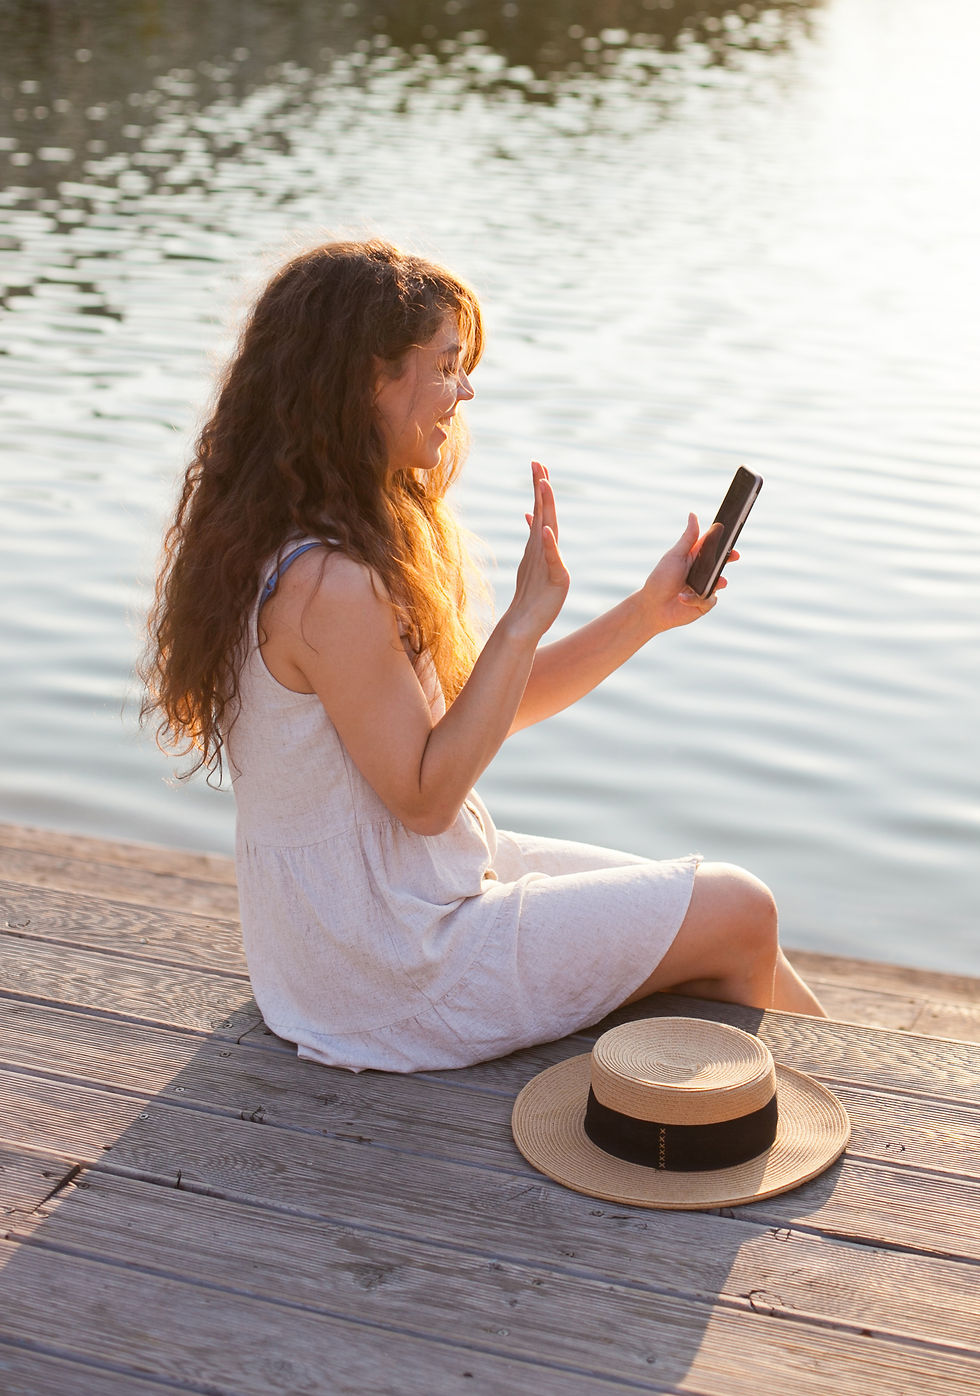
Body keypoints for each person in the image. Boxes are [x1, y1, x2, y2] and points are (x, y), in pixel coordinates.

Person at [142, 238, 825, 1073]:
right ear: (367, 378)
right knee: (740, 910)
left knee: (729, 924)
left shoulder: (300, 543)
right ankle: (827, 1131)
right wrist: (522, 621)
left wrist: (647, 614)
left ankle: (834, 1109)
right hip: (387, 965)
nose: (464, 389)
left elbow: (477, 717)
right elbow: (428, 797)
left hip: (374, 917)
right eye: (446, 363)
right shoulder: (329, 585)